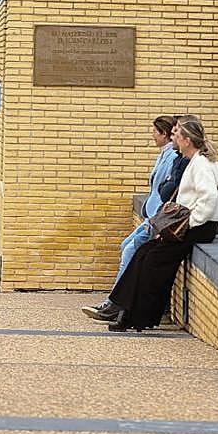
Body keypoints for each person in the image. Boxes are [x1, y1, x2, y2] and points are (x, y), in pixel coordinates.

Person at [101, 118, 218, 332]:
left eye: (177, 135)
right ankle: (123, 309)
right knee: (144, 253)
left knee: (151, 261)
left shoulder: (202, 164)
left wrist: (190, 224)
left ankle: (132, 316)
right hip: (190, 226)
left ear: (187, 140)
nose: (173, 137)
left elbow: (209, 198)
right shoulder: (197, 160)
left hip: (198, 228)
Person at [83, 116, 182, 319]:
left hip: (157, 218)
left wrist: (157, 220)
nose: (152, 135)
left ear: (164, 134)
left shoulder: (172, 156)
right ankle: (116, 300)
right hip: (151, 216)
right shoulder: (164, 155)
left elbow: (168, 190)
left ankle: (114, 304)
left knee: (130, 250)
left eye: (155, 132)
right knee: (126, 245)